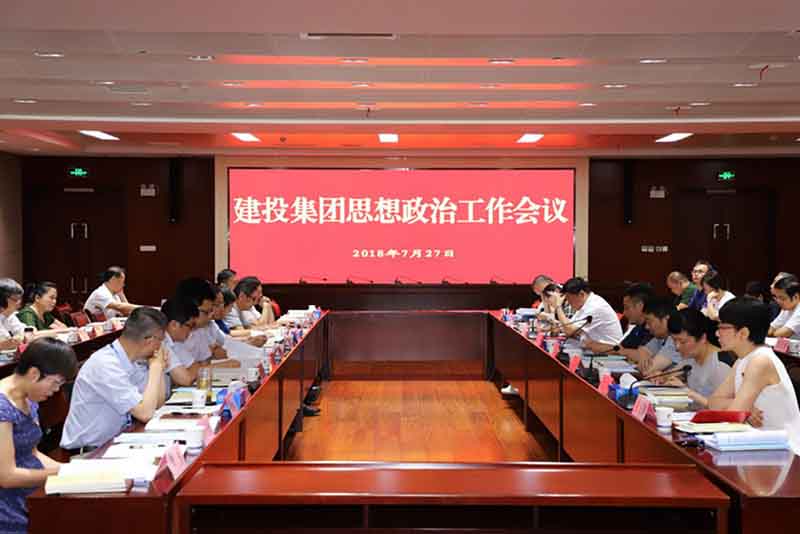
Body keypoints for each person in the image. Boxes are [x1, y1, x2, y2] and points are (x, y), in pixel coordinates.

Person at [60, 308, 168, 451]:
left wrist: (159, 368)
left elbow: (156, 404)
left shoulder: (131, 360)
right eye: (161, 340)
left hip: (116, 442)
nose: (160, 347)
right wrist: (156, 367)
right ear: (149, 340)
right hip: (88, 452)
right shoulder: (105, 364)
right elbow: (145, 414)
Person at [0, 338, 77, 533]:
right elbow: (6, 476)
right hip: (7, 507)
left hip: (32, 493)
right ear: (34, 374)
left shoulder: (29, 397)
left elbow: (32, 453)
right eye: (55, 383)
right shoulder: (2, 407)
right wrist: (64, 474)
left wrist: (71, 469)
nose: (56, 390)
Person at [709, 298, 800, 431]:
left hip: (782, 442)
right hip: (759, 438)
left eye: (722, 328)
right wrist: (744, 408)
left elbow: (732, 415)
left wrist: (737, 409)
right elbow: (713, 402)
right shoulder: (742, 360)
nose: (717, 333)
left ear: (743, 333)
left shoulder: (760, 361)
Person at [666, 308, 731, 407]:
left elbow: (726, 407)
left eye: (683, 342)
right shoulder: (690, 358)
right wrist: (663, 378)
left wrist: (685, 390)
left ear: (702, 338)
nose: (677, 347)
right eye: (674, 340)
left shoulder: (720, 364)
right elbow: (670, 375)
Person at [547, 277, 622, 353]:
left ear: (581, 294)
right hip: (592, 349)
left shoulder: (595, 306)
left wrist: (558, 306)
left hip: (609, 353)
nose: (568, 302)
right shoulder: (585, 304)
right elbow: (568, 328)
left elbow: (569, 330)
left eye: (569, 299)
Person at [618, 296, 682, 374]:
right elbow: (641, 352)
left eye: (649, 321)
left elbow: (647, 370)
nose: (647, 327)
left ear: (666, 319)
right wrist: (643, 357)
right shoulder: (659, 338)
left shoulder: (675, 340)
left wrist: (643, 361)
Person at [161, 298, 202, 388]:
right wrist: (188, 373)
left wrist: (189, 373)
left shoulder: (176, 342)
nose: (191, 331)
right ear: (174, 325)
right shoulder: (161, 342)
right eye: (190, 326)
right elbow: (186, 380)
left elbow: (196, 366)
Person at [619, 283, 654, 350]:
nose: (624, 313)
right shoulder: (638, 328)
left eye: (627, 308)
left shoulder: (653, 330)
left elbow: (642, 354)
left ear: (640, 306)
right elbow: (619, 348)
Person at [767, 276, 800, 340]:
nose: (778, 301)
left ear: (795, 297)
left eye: (782, 298)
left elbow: (785, 332)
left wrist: (771, 334)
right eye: (777, 297)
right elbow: (772, 327)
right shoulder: (786, 308)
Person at [0, 279, 26, 352]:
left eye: (20, 299)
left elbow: (26, 331)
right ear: (2, 299)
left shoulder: (10, 315)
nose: (19, 303)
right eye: (15, 299)